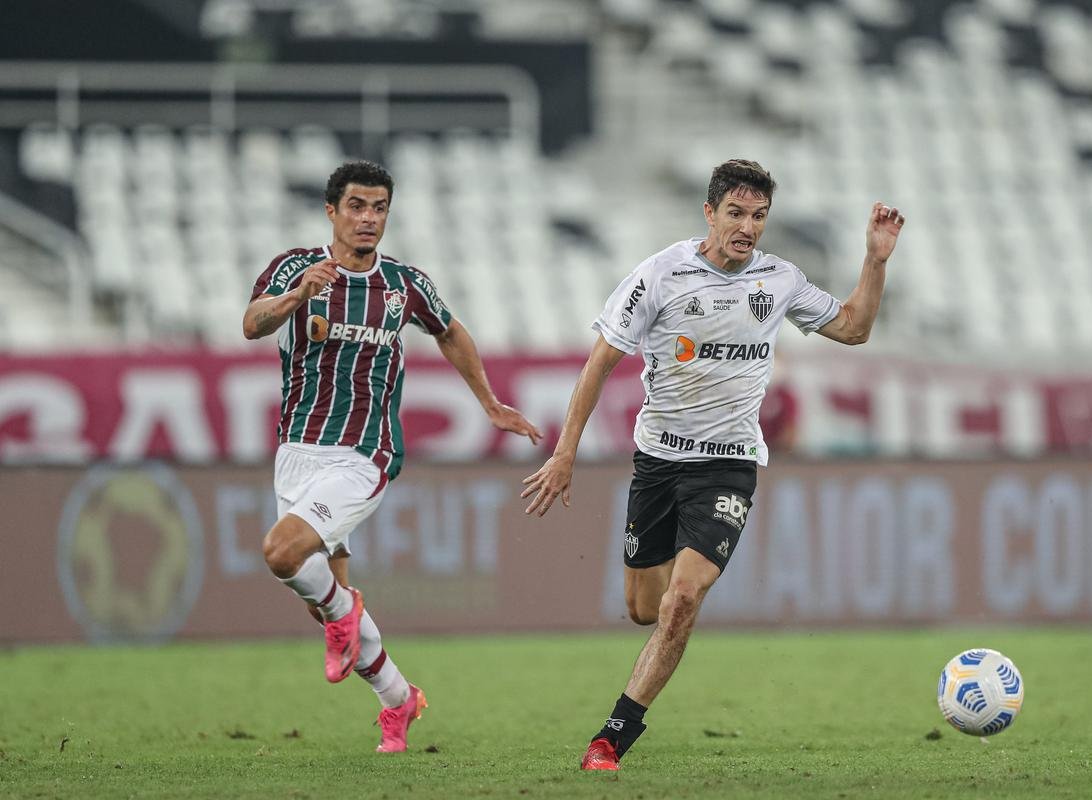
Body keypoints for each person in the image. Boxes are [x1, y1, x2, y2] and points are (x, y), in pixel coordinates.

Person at [521, 159, 904, 770]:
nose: (748, 227)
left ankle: (613, 736)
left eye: (758, 216)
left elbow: (854, 329)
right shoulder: (661, 276)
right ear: (710, 212)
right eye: (736, 214)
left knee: (683, 599)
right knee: (644, 608)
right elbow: (599, 363)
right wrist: (565, 452)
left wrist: (875, 261)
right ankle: (670, 587)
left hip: (729, 465)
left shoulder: (780, 281)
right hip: (659, 461)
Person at [243, 159, 541, 753]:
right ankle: (400, 701)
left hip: (366, 452)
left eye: (379, 208)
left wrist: (489, 403)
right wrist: (297, 296)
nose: (369, 219)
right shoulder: (294, 269)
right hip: (298, 451)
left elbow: (450, 331)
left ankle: (345, 609)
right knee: (323, 612)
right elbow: (253, 323)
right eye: (357, 206)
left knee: (281, 552)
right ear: (332, 211)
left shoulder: (404, 285)